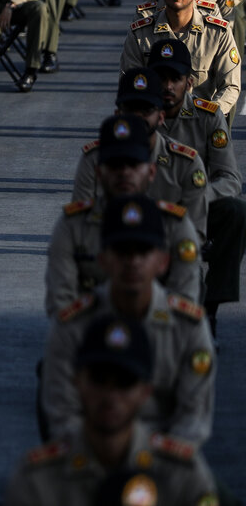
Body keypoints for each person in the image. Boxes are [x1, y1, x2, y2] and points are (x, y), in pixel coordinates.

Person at [41, 194, 216, 447]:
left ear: (163, 261)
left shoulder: (189, 325)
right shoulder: (74, 322)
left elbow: (193, 418)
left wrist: (147, 458)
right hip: (90, 454)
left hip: (165, 457)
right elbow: (63, 413)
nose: (133, 261)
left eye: (143, 251)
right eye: (122, 251)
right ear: (102, 260)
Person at [6, 315, 218, 506]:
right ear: (77, 383)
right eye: (99, 380)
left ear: (145, 392)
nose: (111, 396)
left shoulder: (184, 475)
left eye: (125, 383)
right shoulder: (35, 480)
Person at [49, 113, 202, 315]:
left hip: (161, 328)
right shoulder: (72, 225)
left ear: (151, 172)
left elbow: (185, 305)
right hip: (90, 327)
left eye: (133, 164)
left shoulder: (175, 225)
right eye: (115, 164)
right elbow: (61, 305)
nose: (124, 172)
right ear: (99, 173)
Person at [149, 37, 246, 333]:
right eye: (160, 78)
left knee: (236, 212)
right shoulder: (136, 116)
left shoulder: (208, 116)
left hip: (198, 208)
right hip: (149, 210)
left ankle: (209, 310)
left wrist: (198, 197)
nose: (167, 86)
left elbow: (230, 179)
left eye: (175, 79)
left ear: (189, 83)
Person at [73, 85, 210, 247]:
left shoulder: (187, 161)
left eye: (146, 110)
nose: (137, 117)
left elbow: (192, 236)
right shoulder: (94, 158)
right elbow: (78, 226)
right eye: (130, 110)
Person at [122, 0, 240, 117]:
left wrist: (209, 114)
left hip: (201, 120)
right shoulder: (140, 34)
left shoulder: (217, 33)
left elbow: (230, 85)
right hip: (157, 121)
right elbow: (129, 81)